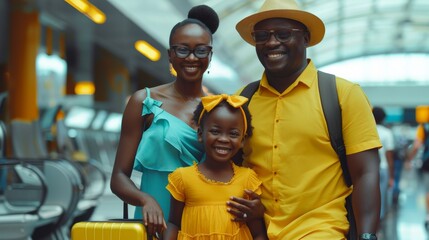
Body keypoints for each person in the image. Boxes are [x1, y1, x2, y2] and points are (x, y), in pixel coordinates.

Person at [227, 0, 383, 239]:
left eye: (283, 34)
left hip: (321, 230)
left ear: (306, 38)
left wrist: (368, 235)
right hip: (253, 230)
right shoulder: (241, 99)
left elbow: (366, 172)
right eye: (262, 35)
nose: (271, 42)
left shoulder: (342, 94)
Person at [110, 5, 219, 237]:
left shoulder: (219, 108)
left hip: (206, 221)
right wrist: (144, 199)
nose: (191, 58)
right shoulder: (143, 101)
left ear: (210, 55)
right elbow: (119, 177)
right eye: (182, 50)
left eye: (201, 50)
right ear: (170, 54)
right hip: (155, 222)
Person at [163, 94, 268, 240]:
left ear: (242, 140)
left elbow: (258, 234)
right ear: (200, 134)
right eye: (215, 131)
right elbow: (174, 223)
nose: (223, 139)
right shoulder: (183, 178)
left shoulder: (247, 180)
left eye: (233, 133)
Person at [372, 107, 394, 223]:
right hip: (383, 169)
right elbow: (389, 156)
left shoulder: (367, 130)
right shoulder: (387, 133)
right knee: (381, 197)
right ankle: (378, 222)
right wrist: (391, 176)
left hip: (369, 168)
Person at [407, 122, 429, 228]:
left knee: (428, 190)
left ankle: (428, 216)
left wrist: (409, 159)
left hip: (427, 164)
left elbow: (417, 145)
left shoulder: (423, 127)